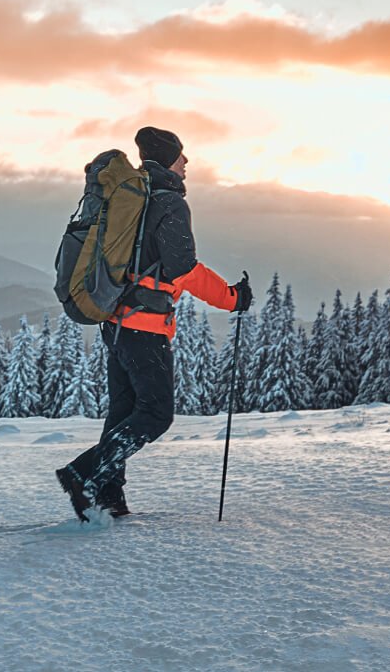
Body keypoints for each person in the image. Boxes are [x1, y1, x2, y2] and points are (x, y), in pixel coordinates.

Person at [56, 126, 253, 521]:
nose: (187, 163)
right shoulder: (168, 203)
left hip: (115, 323)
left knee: (124, 410)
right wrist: (231, 297)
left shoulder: (136, 196)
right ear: (167, 159)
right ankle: (85, 472)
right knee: (157, 413)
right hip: (144, 327)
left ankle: (108, 496)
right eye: (182, 156)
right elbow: (183, 267)